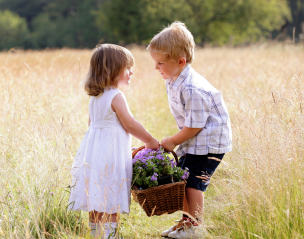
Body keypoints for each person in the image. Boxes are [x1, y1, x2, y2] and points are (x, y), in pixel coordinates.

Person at [147, 22, 232, 238]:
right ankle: (186, 223)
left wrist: (174, 140)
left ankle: (195, 227)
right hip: (195, 142)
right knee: (182, 180)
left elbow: (195, 124)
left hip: (208, 143)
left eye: (160, 63)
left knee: (193, 183)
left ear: (180, 61)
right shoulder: (174, 79)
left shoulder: (192, 88)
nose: (156, 68)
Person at [68, 44, 159, 238]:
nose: (131, 72)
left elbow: (92, 125)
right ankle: (110, 236)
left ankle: (96, 234)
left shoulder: (95, 98)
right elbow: (131, 125)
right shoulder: (116, 96)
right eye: (127, 68)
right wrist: (150, 140)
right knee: (110, 197)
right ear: (112, 71)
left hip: (94, 155)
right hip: (111, 156)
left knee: (97, 197)